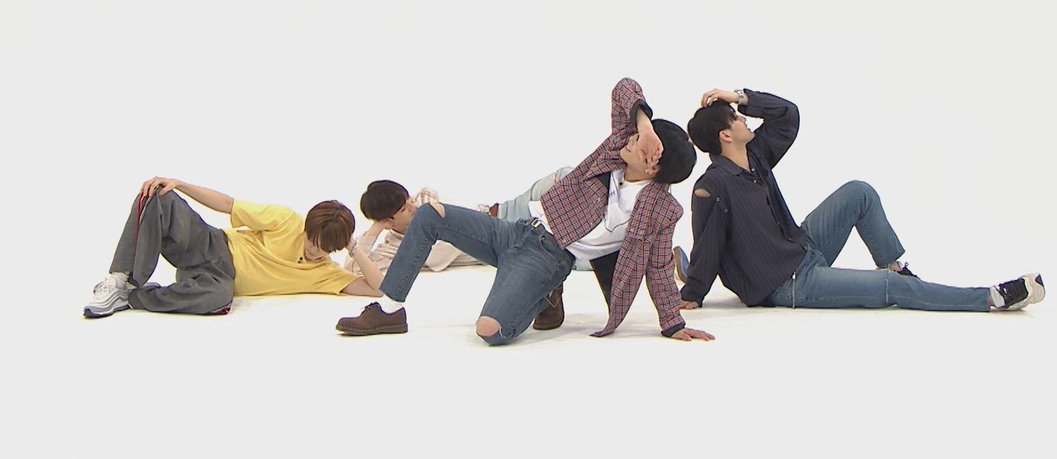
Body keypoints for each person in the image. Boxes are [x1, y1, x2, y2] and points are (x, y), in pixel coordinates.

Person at [334, 77, 714, 345]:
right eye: (635, 134)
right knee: (430, 214)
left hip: (549, 258)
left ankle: (544, 289)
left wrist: (671, 323)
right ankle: (389, 309)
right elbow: (624, 88)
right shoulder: (612, 153)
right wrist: (645, 123)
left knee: (490, 332)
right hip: (516, 229)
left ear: (653, 164)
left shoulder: (661, 210)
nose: (630, 139)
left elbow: (659, 268)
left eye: (640, 141)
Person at [675, 87, 1045, 314]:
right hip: (788, 282)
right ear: (725, 136)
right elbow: (710, 240)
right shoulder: (713, 186)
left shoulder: (756, 155)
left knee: (859, 192)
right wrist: (694, 292)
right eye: (737, 117)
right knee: (892, 291)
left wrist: (740, 96)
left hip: (801, 248)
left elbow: (788, 115)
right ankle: (992, 298)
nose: (744, 119)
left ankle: (896, 267)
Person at [82, 176, 386, 318]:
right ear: (306, 228)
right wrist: (180, 185)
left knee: (218, 298)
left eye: (322, 248)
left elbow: (378, 289)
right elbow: (228, 204)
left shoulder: (326, 274)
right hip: (211, 246)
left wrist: (352, 245)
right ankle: (120, 279)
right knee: (159, 196)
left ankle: (132, 298)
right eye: (311, 240)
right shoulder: (287, 220)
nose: (313, 250)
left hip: (217, 281)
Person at [344, 169, 576, 276]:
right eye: (404, 209)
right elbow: (353, 268)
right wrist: (375, 229)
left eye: (409, 200)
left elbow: (442, 237)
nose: (413, 207)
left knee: (567, 177)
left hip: (505, 214)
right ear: (388, 221)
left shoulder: (425, 199)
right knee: (576, 254)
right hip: (508, 244)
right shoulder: (394, 249)